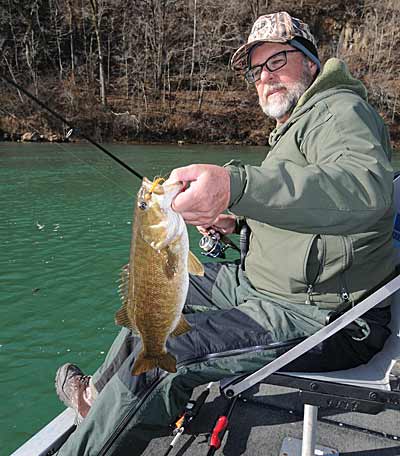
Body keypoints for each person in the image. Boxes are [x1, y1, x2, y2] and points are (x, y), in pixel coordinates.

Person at [54, 11, 395, 455]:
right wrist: (236, 219)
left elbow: (364, 192)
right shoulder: (295, 125)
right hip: (258, 283)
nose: (264, 78)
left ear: (310, 62)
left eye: (277, 62)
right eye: (256, 70)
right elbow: (310, 210)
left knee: (169, 361)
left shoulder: (340, 111)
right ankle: (99, 402)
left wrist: (236, 186)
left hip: (323, 317)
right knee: (148, 306)